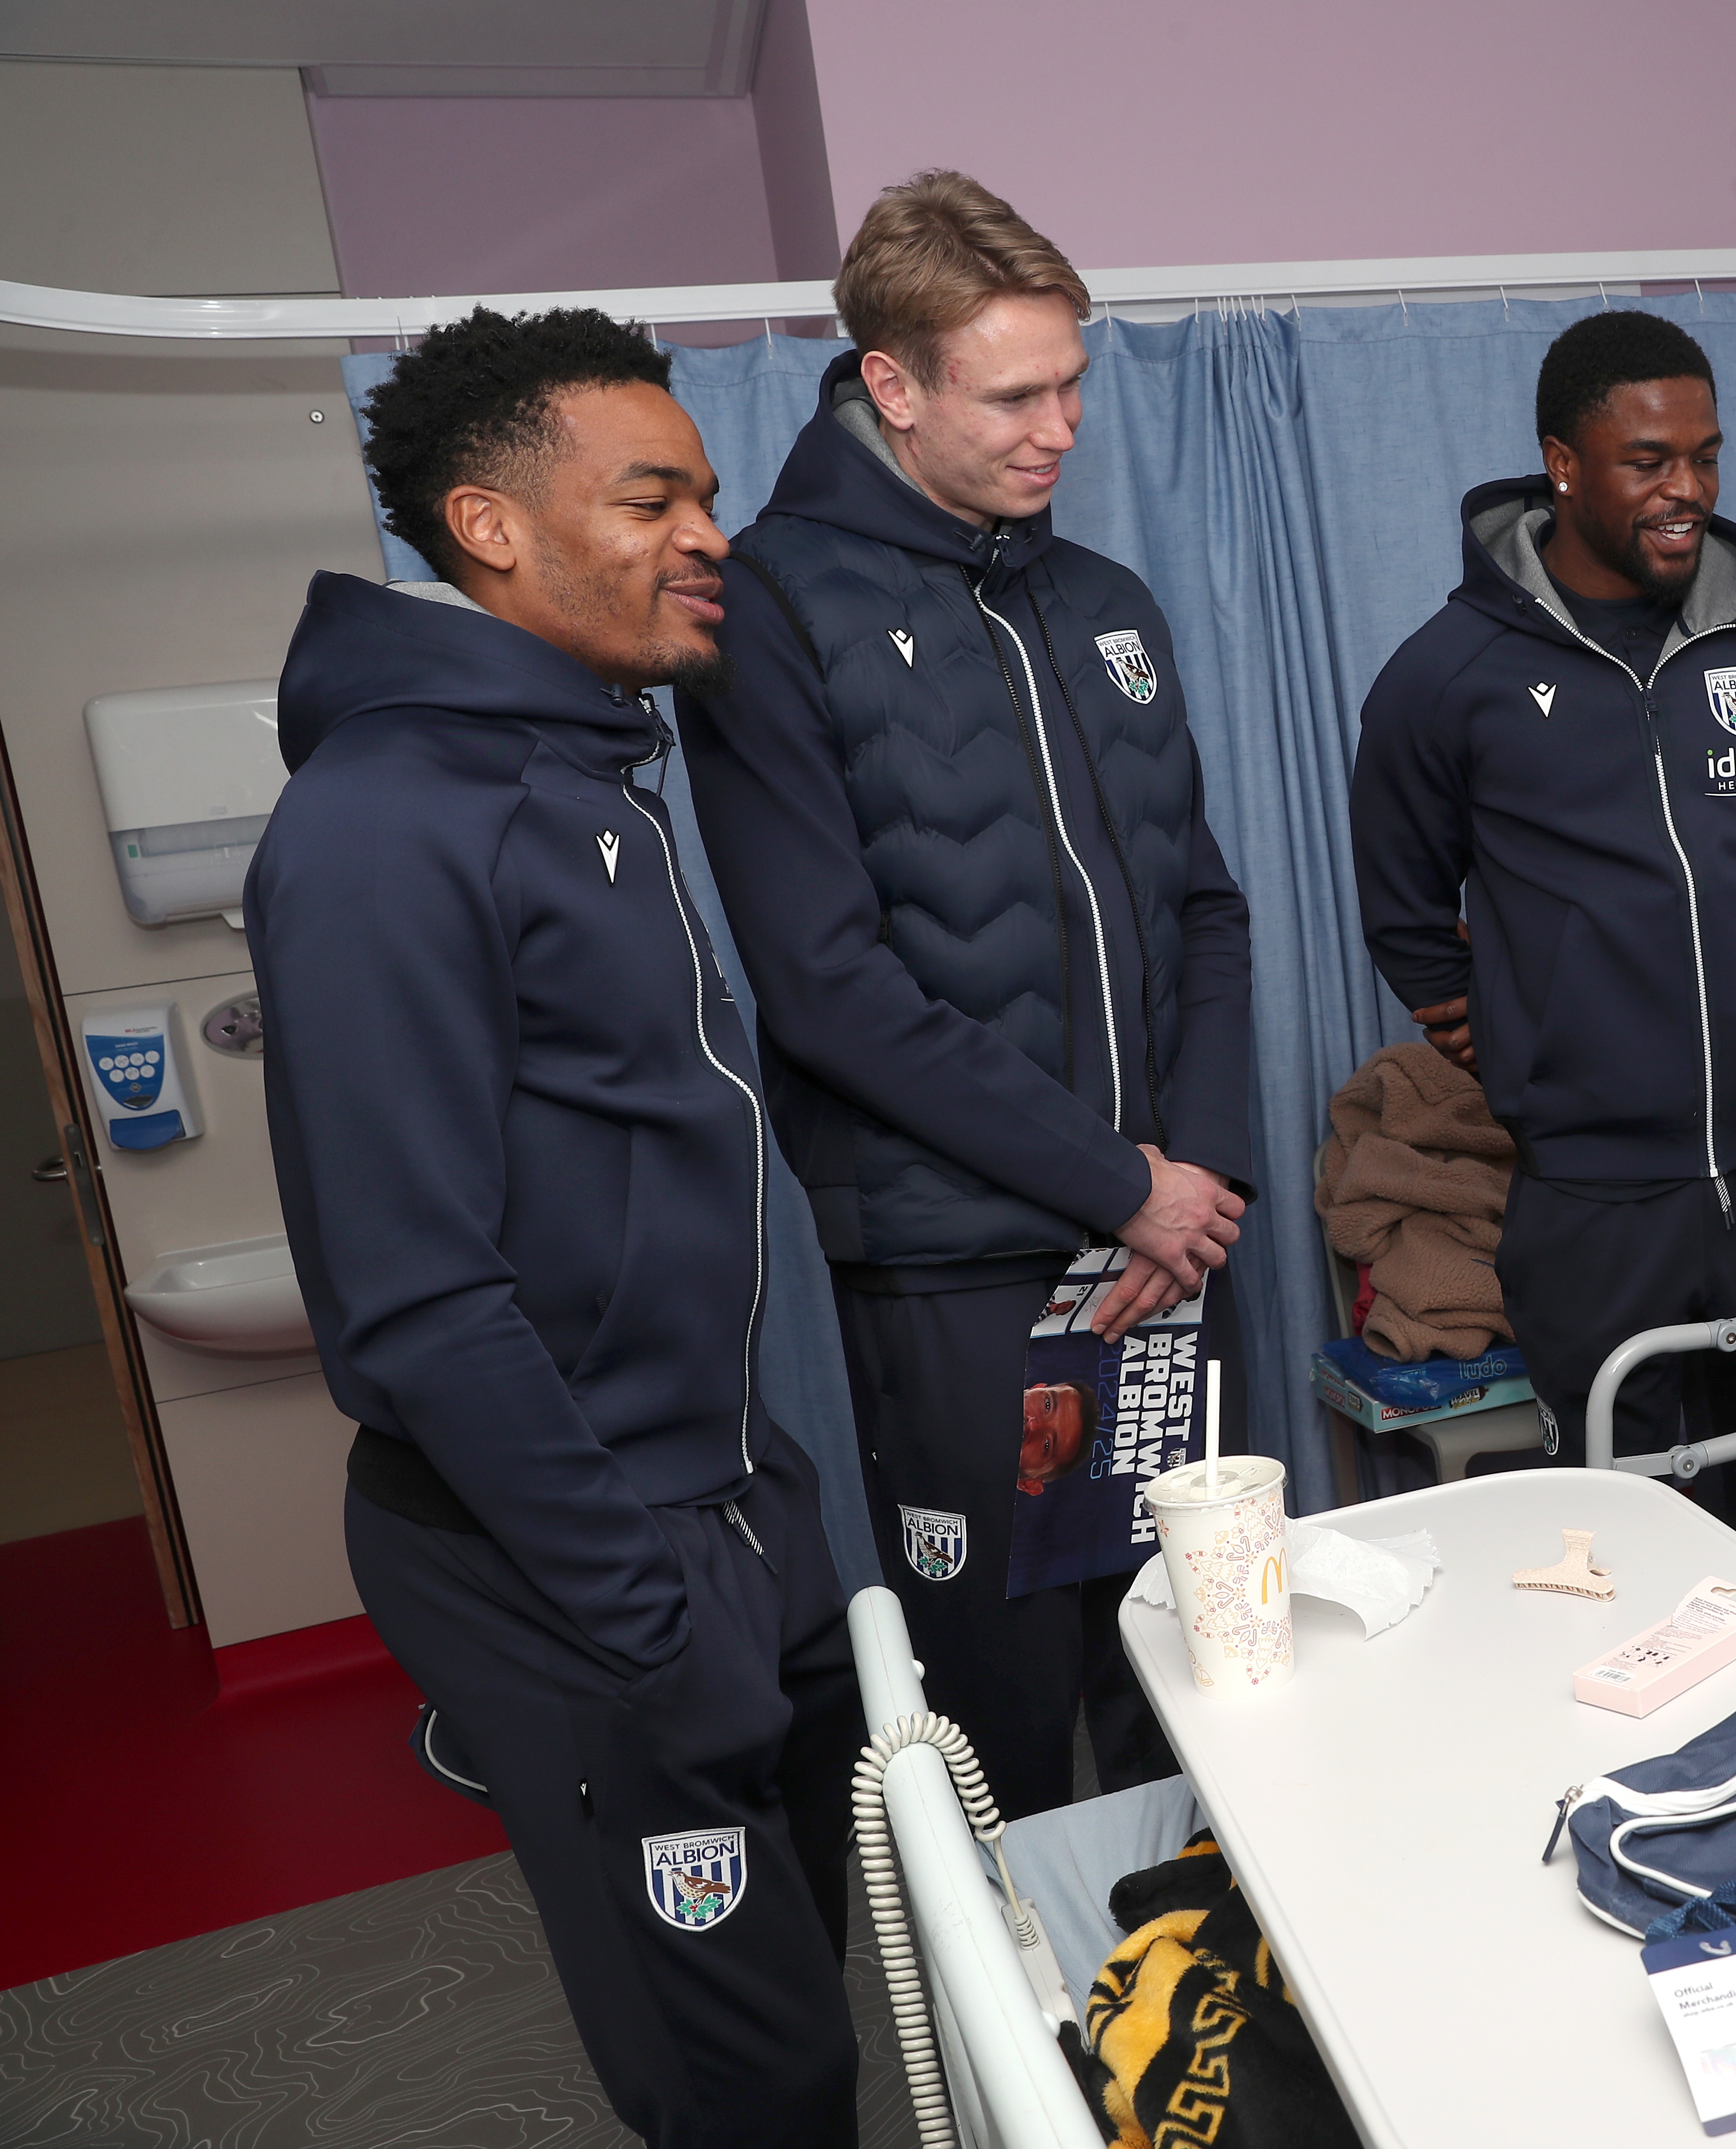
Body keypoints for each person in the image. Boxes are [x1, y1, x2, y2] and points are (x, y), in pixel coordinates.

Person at [252, 308, 860, 2145]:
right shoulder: (382, 826)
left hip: (716, 1508)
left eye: (709, 494)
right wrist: (647, 1618)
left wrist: (767, 1522)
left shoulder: (584, 773)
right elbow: (420, 1304)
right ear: (492, 528)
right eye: (653, 495)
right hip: (576, 1563)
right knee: (744, 2085)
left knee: (807, 2005)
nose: (708, 535)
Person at [680, 171, 1252, 1812]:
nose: (1061, 426)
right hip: (964, 1273)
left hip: (1171, 1248)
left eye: (1075, 382)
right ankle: (1028, 2058)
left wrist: (1194, 1181)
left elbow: (1205, 903)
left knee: (1197, 1674)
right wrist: (1115, 1185)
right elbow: (831, 988)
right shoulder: (774, 610)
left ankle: (1205, 2037)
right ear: (894, 384)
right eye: (1016, 394)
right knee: (1006, 1714)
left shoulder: (1103, 606)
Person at [1350, 309, 1736, 1542]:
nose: (1687, 490)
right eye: (1648, 462)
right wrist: (1534, 1038)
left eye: (1706, 457)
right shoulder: (1447, 675)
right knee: (1635, 1554)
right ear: (1564, 463)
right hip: (1595, 1205)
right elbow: (1404, 909)